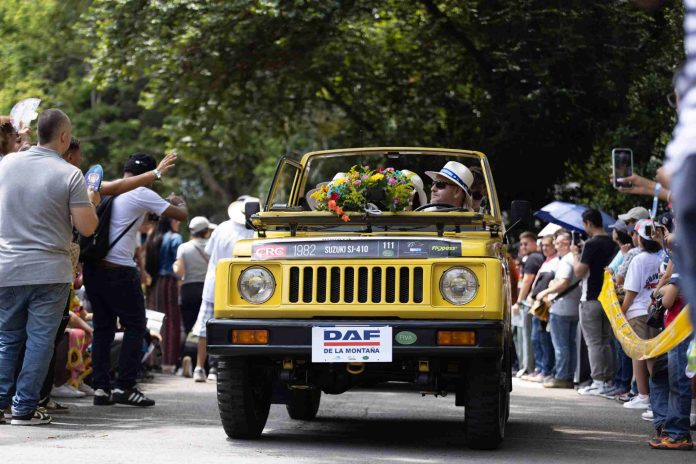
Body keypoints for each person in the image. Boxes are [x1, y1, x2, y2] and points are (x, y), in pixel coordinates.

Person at [0, 109, 98, 425]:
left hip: (7, 267)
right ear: (64, 137)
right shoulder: (70, 174)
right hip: (50, 271)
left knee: (7, 339)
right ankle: (24, 409)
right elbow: (87, 227)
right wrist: (91, 202)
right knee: (40, 341)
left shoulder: (6, 164)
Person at [83, 152, 187, 407]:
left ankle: (101, 388)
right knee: (136, 326)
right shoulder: (142, 192)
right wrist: (179, 202)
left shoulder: (108, 191)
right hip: (120, 271)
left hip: (94, 270)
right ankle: (125, 386)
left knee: (103, 328)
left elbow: (132, 224)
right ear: (147, 176)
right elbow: (180, 215)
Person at [191, 196, 256, 382]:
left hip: (214, 283)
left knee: (204, 327)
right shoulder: (254, 233)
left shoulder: (221, 228)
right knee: (236, 328)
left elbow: (209, 253)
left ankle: (199, 367)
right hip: (241, 289)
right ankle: (219, 368)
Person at [574, 208, 618, 396]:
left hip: (591, 298)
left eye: (584, 225)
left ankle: (599, 381)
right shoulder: (613, 243)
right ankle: (608, 381)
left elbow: (579, 272)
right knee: (605, 341)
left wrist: (575, 255)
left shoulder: (590, 244)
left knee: (593, 343)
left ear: (589, 223)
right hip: (608, 298)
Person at [621, 219, 662, 410]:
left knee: (639, 354)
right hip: (657, 312)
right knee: (654, 355)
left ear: (641, 238)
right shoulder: (664, 256)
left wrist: (621, 312)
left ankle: (644, 395)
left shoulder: (638, 259)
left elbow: (631, 291)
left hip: (638, 312)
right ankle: (658, 398)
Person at [536, 230, 580, 388]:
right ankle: (568, 376)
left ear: (567, 244)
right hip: (573, 307)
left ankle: (562, 377)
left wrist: (546, 291)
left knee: (561, 346)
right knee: (569, 345)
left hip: (561, 307)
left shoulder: (566, 260)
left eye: (558, 243)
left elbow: (564, 282)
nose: (555, 246)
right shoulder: (575, 258)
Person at [173, 216, 215, 378]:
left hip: (189, 290)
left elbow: (180, 272)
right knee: (209, 328)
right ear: (206, 231)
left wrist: (174, 267)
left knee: (190, 328)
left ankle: (186, 360)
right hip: (208, 289)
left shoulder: (184, 247)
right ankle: (209, 366)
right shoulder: (212, 246)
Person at [511, 231, 545, 378]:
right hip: (532, 302)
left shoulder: (533, 258)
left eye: (526, 244)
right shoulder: (536, 257)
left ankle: (527, 368)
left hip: (527, 302)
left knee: (526, 338)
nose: (523, 247)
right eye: (521, 244)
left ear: (534, 243)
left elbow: (527, 281)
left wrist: (518, 302)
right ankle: (528, 367)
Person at [526, 234, 559, 382]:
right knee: (536, 338)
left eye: (548, 245)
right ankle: (539, 368)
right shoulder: (546, 261)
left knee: (544, 339)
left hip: (544, 305)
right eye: (543, 245)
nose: (545, 248)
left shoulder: (556, 262)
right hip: (536, 304)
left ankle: (546, 370)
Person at [155, 217, 183, 373]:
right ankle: (170, 362)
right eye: (176, 220)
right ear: (171, 221)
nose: (179, 222)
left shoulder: (158, 236)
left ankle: (158, 360)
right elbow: (178, 262)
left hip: (159, 282)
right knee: (173, 321)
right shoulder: (175, 238)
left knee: (161, 321)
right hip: (171, 281)